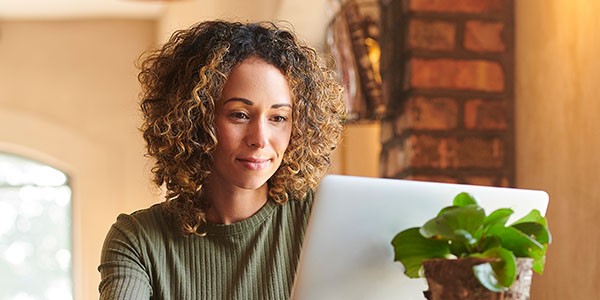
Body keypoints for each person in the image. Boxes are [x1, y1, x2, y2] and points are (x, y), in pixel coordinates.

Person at [98, 20, 346, 299]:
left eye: (278, 118)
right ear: (195, 120)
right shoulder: (138, 241)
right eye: (239, 114)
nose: (260, 138)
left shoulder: (323, 220)